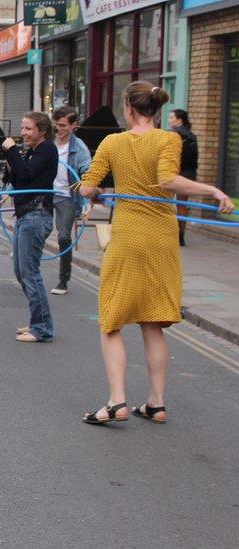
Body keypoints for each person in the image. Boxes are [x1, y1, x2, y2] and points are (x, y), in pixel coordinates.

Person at [78, 82, 234, 425]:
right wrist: (211, 189)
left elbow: (88, 186)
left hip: (128, 235)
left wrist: (95, 192)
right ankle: (156, 403)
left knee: (112, 321)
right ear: (157, 110)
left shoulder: (112, 142)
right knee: (153, 321)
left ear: (128, 109)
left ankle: (117, 401)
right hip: (162, 237)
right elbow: (166, 180)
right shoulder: (169, 139)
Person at [2, 111, 58, 343]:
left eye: (28, 129)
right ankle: (39, 321)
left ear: (42, 131)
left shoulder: (47, 150)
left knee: (29, 272)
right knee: (20, 271)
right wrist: (10, 160)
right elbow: (19, 181)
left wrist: (13, 152)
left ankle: (42, 327)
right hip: (25, 215)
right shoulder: (33, 152)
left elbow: (27, 173)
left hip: (36, 215)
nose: (23, 133)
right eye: (22, 128)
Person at [48, 106, 92, 295]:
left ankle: (63, 280)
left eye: (63, 125)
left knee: (64, 236)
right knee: (33, 230)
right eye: (56, 125)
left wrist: (87, 199)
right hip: (45, 193)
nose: (59, 129)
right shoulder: (48, 142)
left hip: (66, 196)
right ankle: (27, 271)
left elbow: (88, 173)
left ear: (74, 125)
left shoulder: (78, 147)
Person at [169, 109, 198, 246]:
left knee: (165, 202)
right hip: (190, 173)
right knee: (182, 205)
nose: (170, 120)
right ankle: (181, 235)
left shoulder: (176, 134)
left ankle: (176, 235)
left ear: (179, 120)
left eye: (172, 117)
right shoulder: (191, 135)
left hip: (177, 172)